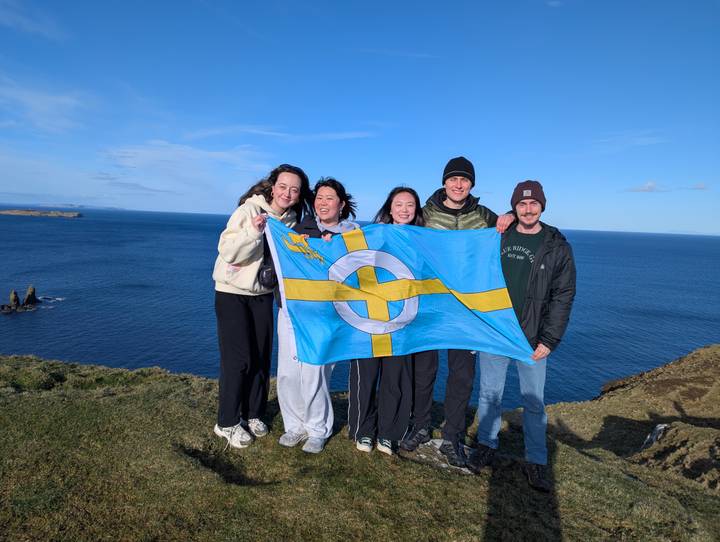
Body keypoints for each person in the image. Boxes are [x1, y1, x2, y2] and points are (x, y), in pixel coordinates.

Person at [400, 156, 514, 467]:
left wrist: (510, 217)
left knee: (462, 375)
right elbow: (395, 237)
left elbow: (514, 234)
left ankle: (453, 436)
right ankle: (420, 425)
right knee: (423, 370)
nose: (458, 184)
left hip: (466, 307)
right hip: (430, 302)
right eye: (453, 179)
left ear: (472, 184)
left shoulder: (484, 216)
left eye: (464, 180)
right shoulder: (424, 215)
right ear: (444, 182)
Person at [466, 180, 576, 492]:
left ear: (542, 206)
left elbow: (563, 296)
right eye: (521, 204)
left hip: (532, 339)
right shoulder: (498, 236)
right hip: (495, 333)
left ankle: (537, 462)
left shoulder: (557, 246)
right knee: (489, 395)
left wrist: (550, 340)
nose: (527, 209)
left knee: (534, 403)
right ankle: (486, 446)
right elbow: (475, 277)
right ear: (514, 207)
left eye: (533, 204)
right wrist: (477, 327)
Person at [212, 164, 312, 449]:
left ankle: (253, 413)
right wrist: (254, 234)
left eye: (294, 189)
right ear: (272, 186)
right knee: (237, 359)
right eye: (283, 186)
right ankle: (227, 422)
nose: (288, 193)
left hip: (262, 294)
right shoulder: (248, 211)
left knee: (260, 356)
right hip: (231, 292)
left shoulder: (291, 220)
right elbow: (227, 251)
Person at [348, 187, 435, 456]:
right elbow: (348, 258)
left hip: (403, 321)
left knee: (395, 379)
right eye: (399, 204)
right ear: (389, 207)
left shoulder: (425, 240)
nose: (405, 209)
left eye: (410, 205)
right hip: (371, 319)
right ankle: (363, 430)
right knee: (366, 376)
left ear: (417, 210)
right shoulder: (372, 235)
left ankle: (388, 432)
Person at [277, 177, 359, 453]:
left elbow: (360, 273)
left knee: (316, 372)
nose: (323, 203)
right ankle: (294, 425)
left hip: (327, 314)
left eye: (329, 198)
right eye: (319, 198)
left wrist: (332, 247)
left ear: (341, 204)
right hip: (293, 311)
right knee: (288, 372)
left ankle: (317, 428)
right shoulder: (300, 229)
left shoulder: (352, 235)